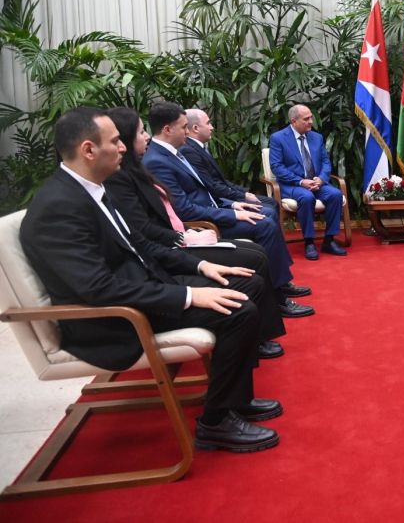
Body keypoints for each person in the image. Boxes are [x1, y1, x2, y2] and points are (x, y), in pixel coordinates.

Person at [20, 106, 281, 453]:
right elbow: (98, 289)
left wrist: (202, 266)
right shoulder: (58, 208)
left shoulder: (91, 189)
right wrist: (189, 296)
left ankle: (236, 398)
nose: (124, 147)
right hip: (113, 318)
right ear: (88, 150)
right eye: (115, 141)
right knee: (239, 310)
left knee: (248, 282)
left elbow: (140, 245)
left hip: (142, 288)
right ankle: (216, 422)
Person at [103, 107, 314, 329]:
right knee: (263, 231)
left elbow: (208, 187)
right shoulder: (152, 162)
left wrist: (233, 203)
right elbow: (174, 214)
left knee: (264, 222)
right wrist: (189, 234)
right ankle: (277, 299)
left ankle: (279, 289)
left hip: (193, 226)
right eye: (141, 132)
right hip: (192, 230)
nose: (146, 136)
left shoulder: (163, 157)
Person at [142, 101, 298, 294]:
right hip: (203, 222)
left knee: (264, 215)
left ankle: (280, 282)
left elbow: (205, 189)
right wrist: (232, 214)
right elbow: (184, 209)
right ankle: (278, 291)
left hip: (215, 208)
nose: (187, 132)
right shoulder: (157, 161)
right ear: (167, 130)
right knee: (265, 223)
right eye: (183, 127)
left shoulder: (171, 154)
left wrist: (232, 205)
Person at [268, 104, 348, 260]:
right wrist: (300, 181)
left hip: (317, 183)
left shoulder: (317, 137)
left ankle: (329, 240)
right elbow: (277, 167)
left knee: (335, 195)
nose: (311, 121)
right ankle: (309, 242)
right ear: (294, 121)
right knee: (306, 197)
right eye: (306, 119)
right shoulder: (278, 138)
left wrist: (322, 179)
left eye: (311, 117)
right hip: (293, 185)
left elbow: (325, 162)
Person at [180, 107, 279, 221]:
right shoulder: (189, 151)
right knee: (269, 209)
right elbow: (212, 186)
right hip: (218, 201)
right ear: (196, 128)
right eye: (208, 123)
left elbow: (220, 181)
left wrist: (244, 192)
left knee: (271, 202)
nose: (212, 127)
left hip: (224, 195)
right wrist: (241, 196)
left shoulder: (198, 147)